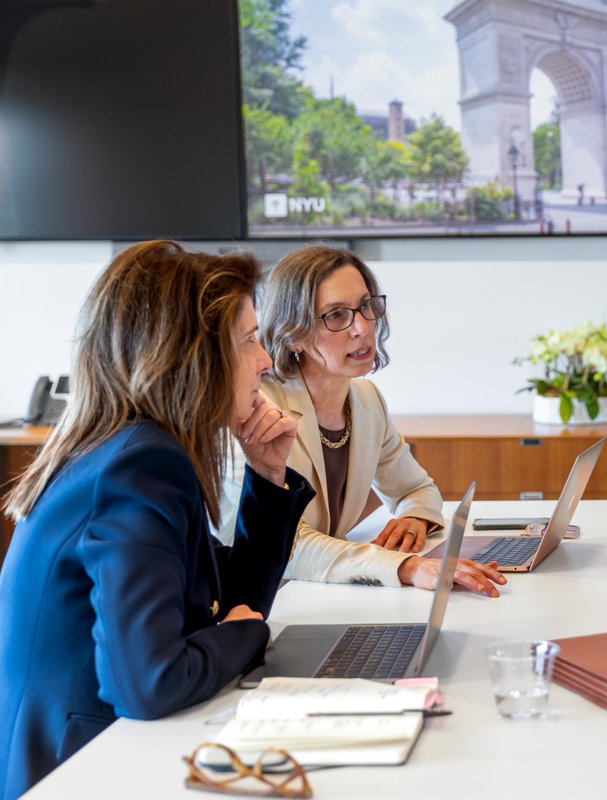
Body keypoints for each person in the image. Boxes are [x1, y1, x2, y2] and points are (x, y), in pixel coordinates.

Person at [0, 241, 315, 800]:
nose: (266, 361)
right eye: (248, 341)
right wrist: (248, 633)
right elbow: (148, 683)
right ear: (194, 355)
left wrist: (268, 476)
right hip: (79, 773)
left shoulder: (129, 448)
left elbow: (225, 602)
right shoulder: (142, 463)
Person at [217, 244, 504, 596]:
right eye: (336, 315)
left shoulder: (366, 401)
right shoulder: (253, 413)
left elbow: (416, 488)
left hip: (328, 596)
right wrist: (405, 566)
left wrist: (413, 518)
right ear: (293, 335)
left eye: (366, 306)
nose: (362, 327)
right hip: (259, 605)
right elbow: (285, 543)